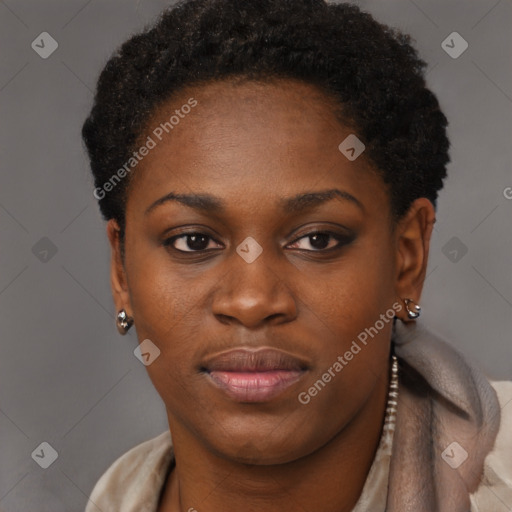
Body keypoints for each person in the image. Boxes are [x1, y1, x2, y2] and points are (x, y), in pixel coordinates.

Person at [81, 0, 512, 510]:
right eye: (193, 241)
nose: (252, 300)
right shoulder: (118, 497)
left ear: (406, 260)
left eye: (318, 240)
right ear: (122, 272)